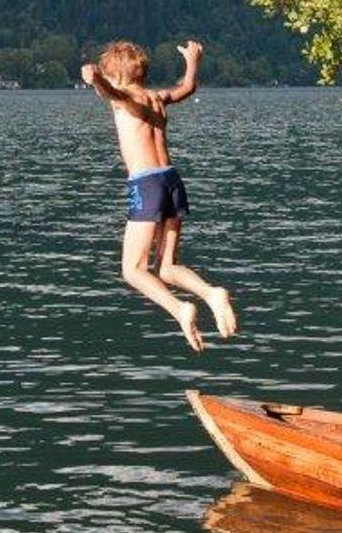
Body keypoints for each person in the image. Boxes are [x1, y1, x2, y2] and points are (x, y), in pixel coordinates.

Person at [80, 39, 237, 353]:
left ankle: (180, 309)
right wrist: (192, 61)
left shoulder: (123, 99)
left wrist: (95, 79)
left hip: (147, 185)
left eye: (109, 76)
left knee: (133, 270)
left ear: (119, 77)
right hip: (172, 181)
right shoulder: (157, 98)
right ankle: (211, 293)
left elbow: (110, 92)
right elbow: (187, 88)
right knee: (166, 267)